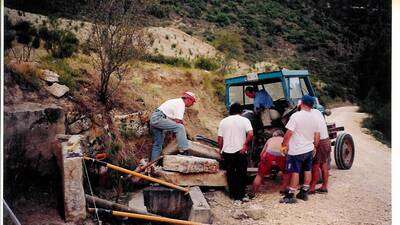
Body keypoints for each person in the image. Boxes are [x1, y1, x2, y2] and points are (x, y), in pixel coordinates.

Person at [280, 95, 320, 204]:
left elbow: (289, 133)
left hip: (296, 150)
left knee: (295, 171)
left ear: (301, 103)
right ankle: (304, 192)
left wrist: (284, 145)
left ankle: (291, 195)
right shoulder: (315, 117)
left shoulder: (296, 116)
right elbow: (317, 135)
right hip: (309, 149)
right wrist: (315, 147)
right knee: (307, 170)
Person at [218, 102, 253, 203]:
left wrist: (220, 150)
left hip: (227, 151)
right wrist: (245, 145)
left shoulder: (223, 121)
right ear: (241, 111)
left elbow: (220, 138)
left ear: (230, 111)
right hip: (240, 151)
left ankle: (233, 195)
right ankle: (241, 195)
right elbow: (250, 134)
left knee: (231, 173)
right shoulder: (245, 120)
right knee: (241, 173)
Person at [149, 92, 196, 161]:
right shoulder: (181, 104)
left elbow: (173, 120)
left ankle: (152, 164)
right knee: (180, 127)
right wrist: (182, 134)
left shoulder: (176, 101)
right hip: (159, 118)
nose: (192, 104)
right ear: (189, 99)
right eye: (192, 102)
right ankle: (184, 151)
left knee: (158, 144)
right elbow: (178, 121)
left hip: (156, 118)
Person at [250, 130, 289, 198]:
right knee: (286, 173)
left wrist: (262, 162)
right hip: (281, 156)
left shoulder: (270, 139)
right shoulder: (284, 140)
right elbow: (285, 153)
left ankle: (253, 192)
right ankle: (283, 190)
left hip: (269, 155)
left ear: (274, 135)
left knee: (259, 174)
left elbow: (261, 153)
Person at [309, 107, 331, 194]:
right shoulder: (317, 111)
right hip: (326, 140)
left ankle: (312, 188)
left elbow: (315, 133)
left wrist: (314, 146)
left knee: (315, 165)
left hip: (320, 142)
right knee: (324, 164)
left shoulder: (310, 115)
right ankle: (324, 187)